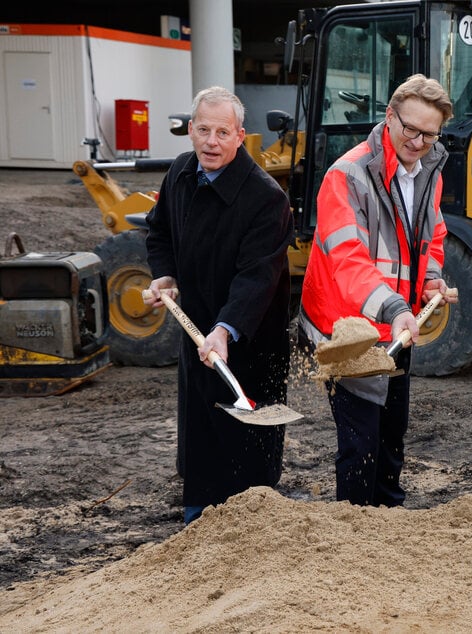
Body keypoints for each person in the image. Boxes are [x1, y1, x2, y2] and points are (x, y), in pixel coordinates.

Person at [298, 74, 457, 507]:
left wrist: (429, 280)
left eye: (430, 134)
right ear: (389, 117)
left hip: (396, 325)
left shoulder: (428, 173)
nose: (419, 141)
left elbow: (434, 234)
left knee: (391, 434)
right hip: (347, 331)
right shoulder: (346, 175)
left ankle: (388, 520)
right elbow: (347, 258)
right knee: (360, 442)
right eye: (410, 129)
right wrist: (394, 307)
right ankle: (353, 532)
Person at [144, 86, 293, 525]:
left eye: (222, 132)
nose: (212, 141)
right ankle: (197, 519)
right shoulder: (180, 173)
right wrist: (165, 274)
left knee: (247, 442)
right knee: (200, 431)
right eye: (203, 130)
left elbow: (257, 276)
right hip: (198, 327)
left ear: (240, 136)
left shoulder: (267, 198)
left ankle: (252, 526)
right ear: (190, 130)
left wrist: (226, 330)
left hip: (251, 338)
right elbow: (159, 232)